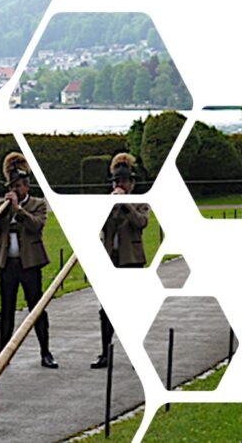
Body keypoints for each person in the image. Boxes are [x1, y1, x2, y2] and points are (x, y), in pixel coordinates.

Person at [0, 152, 58, 369]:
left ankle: (45, 352)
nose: (14, 190)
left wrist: (18, 210)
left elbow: (36, 226)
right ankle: (2, 353)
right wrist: (4, 209)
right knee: (6, 309)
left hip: (30, 264)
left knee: (37, 309)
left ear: (26, 186)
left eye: (17, 186)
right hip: (8, 264)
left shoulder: (37, 204)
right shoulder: (3, 205)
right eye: (11, 186)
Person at [92, 152, 151, 369]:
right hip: (111, 260)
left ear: (132, 183)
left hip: (132, 260)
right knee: (106, 311)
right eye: (116, 181)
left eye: (124, 181)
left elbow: (141, 222)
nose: (120, 185)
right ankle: (105, 353)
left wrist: (125, 203)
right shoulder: (108, 203)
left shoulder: (140, 202)